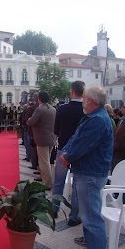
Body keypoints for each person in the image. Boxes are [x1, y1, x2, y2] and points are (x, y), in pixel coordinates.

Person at [60, 85, 113, 249]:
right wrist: (66, 153)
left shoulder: (98, 120)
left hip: (90, 174)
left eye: (84, 98)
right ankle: (91, 243)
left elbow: (83, 145)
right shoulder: (92, 117)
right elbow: (76, 138)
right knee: (89, 216)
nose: (82, 100)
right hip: (87, 172)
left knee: (92, 219)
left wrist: (67, 157)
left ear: (90, 100)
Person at [51, 81, 85, 225]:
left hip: (64, 147)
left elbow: (56, 130)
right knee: (77, 184)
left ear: (72, 92)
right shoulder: (86, 110)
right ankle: (74, 216)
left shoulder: (63, 109)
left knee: (58, 181)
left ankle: (54, 209)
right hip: (81, 150)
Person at [26, 91, 56, 189]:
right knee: (47, 161)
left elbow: (31, 121)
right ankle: (46, 179)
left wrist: (29, 119)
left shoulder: (40, 109)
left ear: (39, 99)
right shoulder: (53, 109)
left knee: (44, 162)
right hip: (51, 138)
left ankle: (47, 183)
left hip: (42, 139)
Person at [112, 101, 125, 203]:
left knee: (121, 179)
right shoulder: (122, 121)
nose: (121, 109)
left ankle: (119, 200)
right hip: (116, 154)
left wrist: (112, 146)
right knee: (114, 175)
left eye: (124, 107)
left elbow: (124, 142)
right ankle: (115, 197)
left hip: (123, 156)